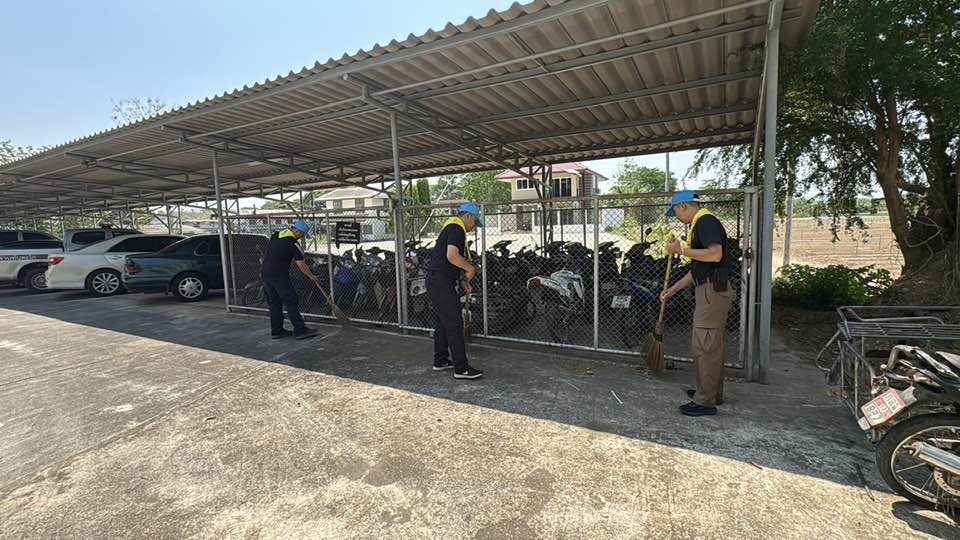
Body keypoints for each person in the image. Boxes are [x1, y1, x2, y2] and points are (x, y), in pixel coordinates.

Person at [660, 191, 734, 416]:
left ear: (683, 206)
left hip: (712, 291)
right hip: (711, 289)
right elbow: (697, 271)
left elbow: (714, 255)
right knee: (711, 346)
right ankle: (711, 392)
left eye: (675, 212)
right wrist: (672, 289)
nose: (677, 217)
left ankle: (705, 401)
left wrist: (681, 250)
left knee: (705, 346)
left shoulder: (705, 222)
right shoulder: (700, 224)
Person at [426, 203, 484, 379]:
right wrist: (470, 269)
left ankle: (441, 360)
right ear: (467, 216)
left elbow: (449, 261)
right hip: (441, 282)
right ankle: (461, 368)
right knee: (454, 324)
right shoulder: (457, 229)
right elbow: (452, 256)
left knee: (442, 322)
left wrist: (463, 281)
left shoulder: (451, 227)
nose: (474, 227)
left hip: (437, 280)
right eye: (474, 222)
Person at [261, 220, 323, 340]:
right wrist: (312, 276)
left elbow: (277, 252)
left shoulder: (276, 235)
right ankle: (300, 330)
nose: (302, 237)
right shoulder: (293, 243)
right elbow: (301, 264)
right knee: (291, 301)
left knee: (275, 303)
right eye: (302, 235)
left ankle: (277, 331)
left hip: (266, 274)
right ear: (297, 231)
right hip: (279, 275)